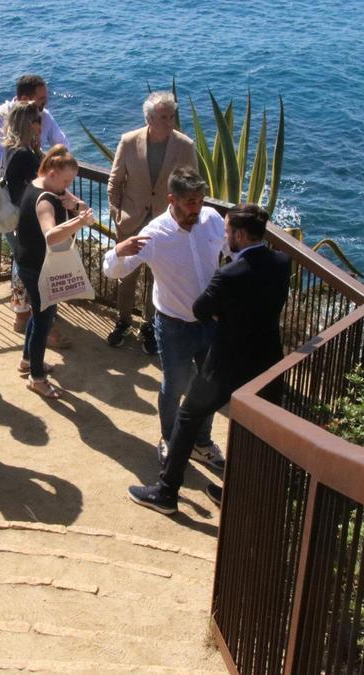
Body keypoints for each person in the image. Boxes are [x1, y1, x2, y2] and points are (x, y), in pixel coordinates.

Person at [127, 203, 291, 514]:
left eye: (228, 231)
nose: (225, 236)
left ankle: (166, 493)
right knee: (254, 432)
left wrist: (224, 311)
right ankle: (239, 494)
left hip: (225, 364)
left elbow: (200, 309)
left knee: (187, 418)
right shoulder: (282, 262)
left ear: (240, 235)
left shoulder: (229, 275)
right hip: (266, 361)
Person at [102, 167, 227, 471]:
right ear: (172, 199)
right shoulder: (154, 234)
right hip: (173, 326)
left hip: (210, 324)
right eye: (189, 202)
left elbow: (233, 255)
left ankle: (201, 442)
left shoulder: (212, 220)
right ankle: (170, 439)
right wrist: (117, 251)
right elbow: (113, 271)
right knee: (173, 387)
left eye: (199, 200)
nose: (195, 208)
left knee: (208, 385)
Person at [106, 91, 199, 355]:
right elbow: (114, 182)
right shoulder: (129, 140)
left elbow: (191, 185)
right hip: (131, 221)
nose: (169, 121)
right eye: (163, 116)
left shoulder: (184, 145)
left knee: (158, 276)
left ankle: (149, 326)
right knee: (126, 274)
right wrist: (117, 214)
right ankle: (123, 321)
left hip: (165, 224)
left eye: (171, 116)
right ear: (149, 118)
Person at [13, 145, 93, 399]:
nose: (67, 186)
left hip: (30, 263)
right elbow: (51, 235)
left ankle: (27, 362)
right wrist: (79, 221)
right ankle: (37, 379)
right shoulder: (46, 200)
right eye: (66, 180)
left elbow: (74, 204)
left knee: (39, 316)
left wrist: (77, 205)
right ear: (52, 172)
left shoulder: (43, 185)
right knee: (44, 321)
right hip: (38, 268)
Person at [0, 74, 69, 179]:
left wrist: (42, 156)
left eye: (45, 98)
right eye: (41, 99)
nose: (45, 103)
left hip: (33, 185)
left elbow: (64, 146)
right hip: (5, 189)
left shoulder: (44, 115)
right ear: (24, 99)